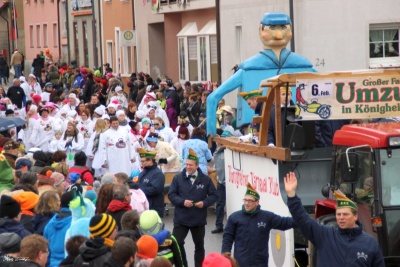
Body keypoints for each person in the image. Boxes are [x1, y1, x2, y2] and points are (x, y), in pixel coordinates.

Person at [206, 12, 316, 135]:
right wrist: (212, 134)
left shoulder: (303, 65)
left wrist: (211, 136)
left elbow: (213, 98)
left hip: (298, 129)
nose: (279, 35)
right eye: (272, 28)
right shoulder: (249, 67)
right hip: (260, 131)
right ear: (260, 30)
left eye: (283, 27)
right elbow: (212, 98)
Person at [284, 172, 384, 267]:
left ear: (355, 216)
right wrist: (292, 195)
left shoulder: (370, 243)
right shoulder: (325, 235)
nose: (341, 218)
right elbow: (303, 220)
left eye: (345, 214)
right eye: (338, 214)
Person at [221, 183, 296, 267]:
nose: (246, 203)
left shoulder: (266, 217)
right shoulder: (234, 217)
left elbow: (284, 223)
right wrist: (225, 255)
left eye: (250, 201)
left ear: (257, 202)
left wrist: (302, 220)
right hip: (240, 263)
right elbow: (228, 237)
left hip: (260, 263)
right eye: (245, 200)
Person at [168, 149, 218, 267]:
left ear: (197, 165)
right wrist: (183, 202)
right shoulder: (178, 178)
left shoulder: (205, 179)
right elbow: (171, 195)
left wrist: (204, 203)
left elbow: (214, 195)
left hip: (198, 218)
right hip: (181, 218)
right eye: (186, 164)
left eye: (190, 165)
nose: (188, 167)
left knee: (199, 246)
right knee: (177, 243)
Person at [138, 148, 165, 219]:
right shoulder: (143, 172)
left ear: (150, 161)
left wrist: (139, 191)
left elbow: (154, 189)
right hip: (145, 207)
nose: (142, 163)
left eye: (143, 161)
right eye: (141, 161)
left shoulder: (157, 174)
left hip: (154, 208)